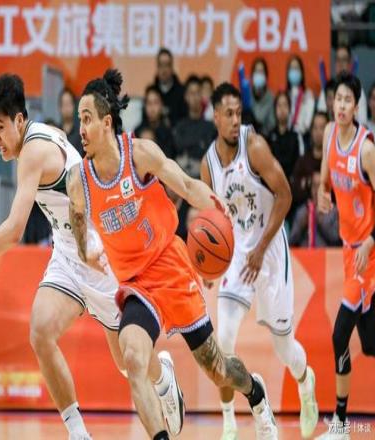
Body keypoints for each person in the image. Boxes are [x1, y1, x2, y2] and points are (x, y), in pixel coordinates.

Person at [0, 74, 182, 439]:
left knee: (127, 362)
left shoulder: (32, 152)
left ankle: (164, 379)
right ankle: (78, 433)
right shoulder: (43, 134)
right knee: (40, 331)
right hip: (68, 254)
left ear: (20, 121)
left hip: (98, 253)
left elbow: (14, 230)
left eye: (1, 126)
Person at [67, 69, 278, 440]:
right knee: (133, 358)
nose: (80, 129)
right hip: (136, 284)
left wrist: (219, 211)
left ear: (106, 122)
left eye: (87, 120)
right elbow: (77, 215)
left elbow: (186, 185)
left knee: (217, 369)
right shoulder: (78, 180)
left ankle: (256, 394)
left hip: (170, 266)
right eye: (78, 121)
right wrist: (85, 251)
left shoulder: (140, 154)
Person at [201, 82, 318, 440]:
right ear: (216, 116)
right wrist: (209, 265)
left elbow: (285, 195)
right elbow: (213, 218)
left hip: (270, 251)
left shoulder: (254, 147)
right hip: (238, 254)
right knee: (223, 341)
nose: (236, 120)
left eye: (239, 113)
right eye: (229, 114)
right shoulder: (208, 165)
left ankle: (305, 381)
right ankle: (229, 421)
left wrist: (261, 247)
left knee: (284, 348)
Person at [316, 72, 375, 439]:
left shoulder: (367, 152)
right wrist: (322, 194)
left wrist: (370, 241)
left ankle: (340, 425)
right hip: (347, 250)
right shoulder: (328, 134)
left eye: (347, 101)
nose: (340, 105)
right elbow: (325, 181)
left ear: (356, 107)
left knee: (339, 335)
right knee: (369, 344)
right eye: (337, 98)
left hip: (369, 255)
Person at [174, 75, 217, 179]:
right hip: (183, 177)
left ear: (202, 95)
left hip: (204, 178)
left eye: (197, 93)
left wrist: (189, 146)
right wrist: (199, 144)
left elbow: (211, 154)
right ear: (186, 97)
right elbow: (178, 149)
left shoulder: (210, 127)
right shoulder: (179, 126)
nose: (194, 97)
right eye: (191, 93)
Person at [317, 44, 367, 124]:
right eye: (338, 59)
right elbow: (320, 120)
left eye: (344, 59)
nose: (340, 63)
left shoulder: (358, 89)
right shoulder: (327, 88)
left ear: (349, 63)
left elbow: (363, 122)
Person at [289, 172, 341, 247]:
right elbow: (291, 240)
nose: (317, 190)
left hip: (326, 253)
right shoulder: (303, 210)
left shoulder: (333, 211)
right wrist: (301, 225)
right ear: (311, 188)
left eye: (320, 186)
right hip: (304, 253)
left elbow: (336, 239)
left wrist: (319, 220)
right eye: (314, 186)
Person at [291, 112, 329, 210]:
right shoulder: (303, 161)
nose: (318, 132)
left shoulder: (332, 161)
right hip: (306, 210)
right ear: (311, 131)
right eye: (315, 128)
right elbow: (294, 190)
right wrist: (309, 182)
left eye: (322, 128)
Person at [135, 85, 176, 159]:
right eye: (149, 103)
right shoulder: (138, 131)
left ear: (161, 105)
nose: (152, 108)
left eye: (155, 103)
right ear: (145, 106)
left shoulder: (168, 132)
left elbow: (169, 159)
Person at [268, 91, 300, 183]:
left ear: (290, 109)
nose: (282, 109)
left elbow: (297, 163)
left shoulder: (295, 136)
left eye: (285, 105)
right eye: (279, 105)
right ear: (275, 109)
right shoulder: (270, 136)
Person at [152, 47, 187, 125]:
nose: (164, 70)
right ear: (157, 67)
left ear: (172, 67)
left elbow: (185, 120)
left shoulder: (182, 93)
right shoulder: (152, 92)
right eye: (161, 65)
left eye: (167, 65)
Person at [286, 55, 315, 145]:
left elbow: (307, 123)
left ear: (302, 72)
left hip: (302, 138)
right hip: (286, 136)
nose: (294, 71)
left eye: (296, 68)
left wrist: (297, 131)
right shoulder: (285, 95)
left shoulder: (308, 95)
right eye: (292, 69)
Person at [250, 57, 276, 137]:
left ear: (266, 76)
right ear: (252, 75)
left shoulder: (271, 97)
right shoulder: (246, 96)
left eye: (261, 72)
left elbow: (272, 123)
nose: (259, 75)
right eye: (256, 72)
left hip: (265, 138)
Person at [59, 88, 83, 156]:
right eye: (64, 104)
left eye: (69, 104)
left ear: (74, 106)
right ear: (60, 107)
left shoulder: (81, 133)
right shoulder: (56, 133)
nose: (66, 108)